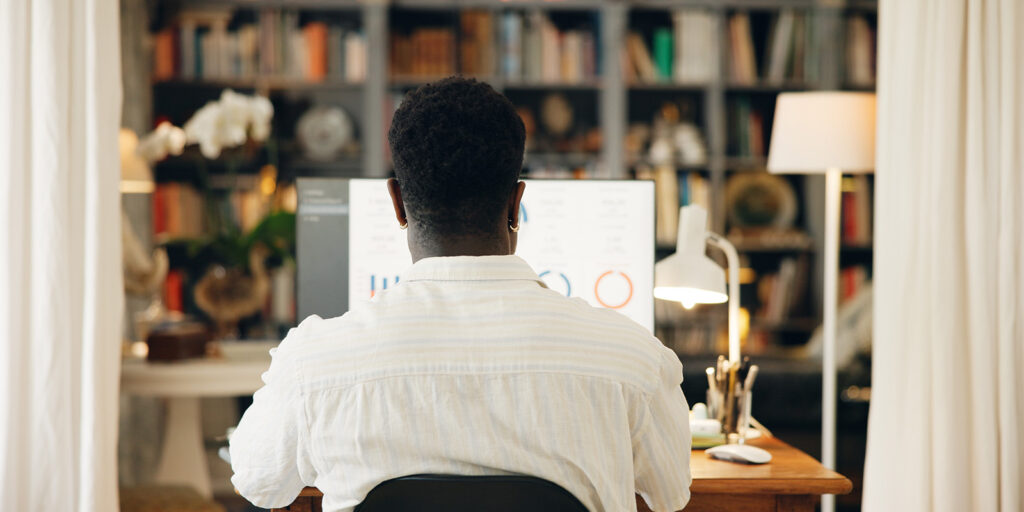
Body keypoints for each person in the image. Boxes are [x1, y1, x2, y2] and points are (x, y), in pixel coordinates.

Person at [229, 77, 692, 512]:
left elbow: (257, 479)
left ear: (396, 203)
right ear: (516, 203)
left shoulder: (314, 364)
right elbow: (671, 493)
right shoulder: (633, 360)